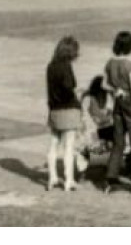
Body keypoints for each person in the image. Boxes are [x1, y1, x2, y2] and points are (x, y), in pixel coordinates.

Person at [103, 32, 131, 192]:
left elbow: (104, 85)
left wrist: (116, 90)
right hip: (130, 103)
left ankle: (111, 178)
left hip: (117, 104)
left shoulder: (110, 63)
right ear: (130, 46)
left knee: (118, 142)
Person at [45, 36, 82, 191]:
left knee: (53, 145)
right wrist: (77, 96)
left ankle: (52, 178)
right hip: (68, 109)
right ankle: (69, 180)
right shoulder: (65, 66)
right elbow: (69, 87)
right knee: (69, 147)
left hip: (54, 109)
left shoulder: (51, 66)